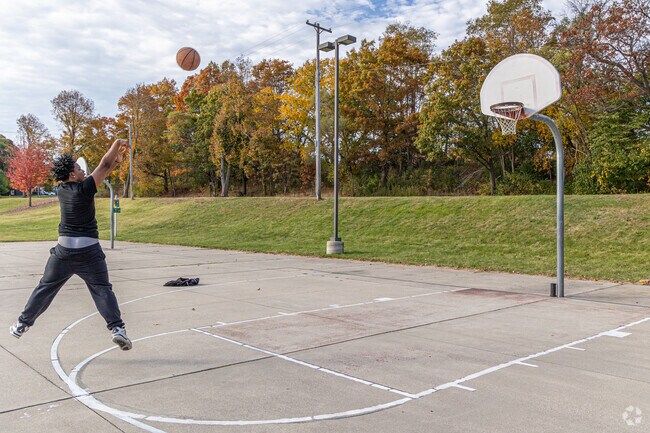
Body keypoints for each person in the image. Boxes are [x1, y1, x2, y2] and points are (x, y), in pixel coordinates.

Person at [9, 139, 132, 351]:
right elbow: (102, 166)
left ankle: (22, 324)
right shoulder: (85, 188)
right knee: (102, 289)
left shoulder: (61, 190)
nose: (82, 170)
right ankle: (117, 329)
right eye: (78, 168)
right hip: (89, 253)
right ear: (73, 175)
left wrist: (116, 162)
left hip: (62, 253)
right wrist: (115, 143)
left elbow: (104, 169)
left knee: (45, 288)